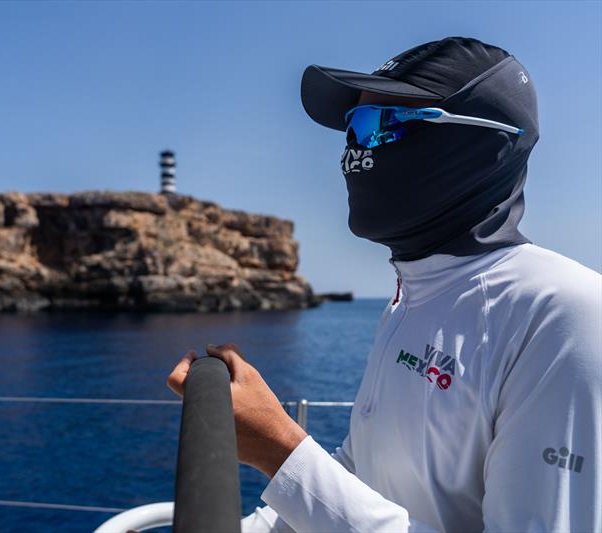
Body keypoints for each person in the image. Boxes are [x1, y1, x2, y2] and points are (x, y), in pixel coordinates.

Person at [167, 36, 601, 532]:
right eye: (354, 126)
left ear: (489, 146)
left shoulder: (566, 315)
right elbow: (361, 476)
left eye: (383, 124)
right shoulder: (408, 303)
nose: (356, 146)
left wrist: (280, 451)